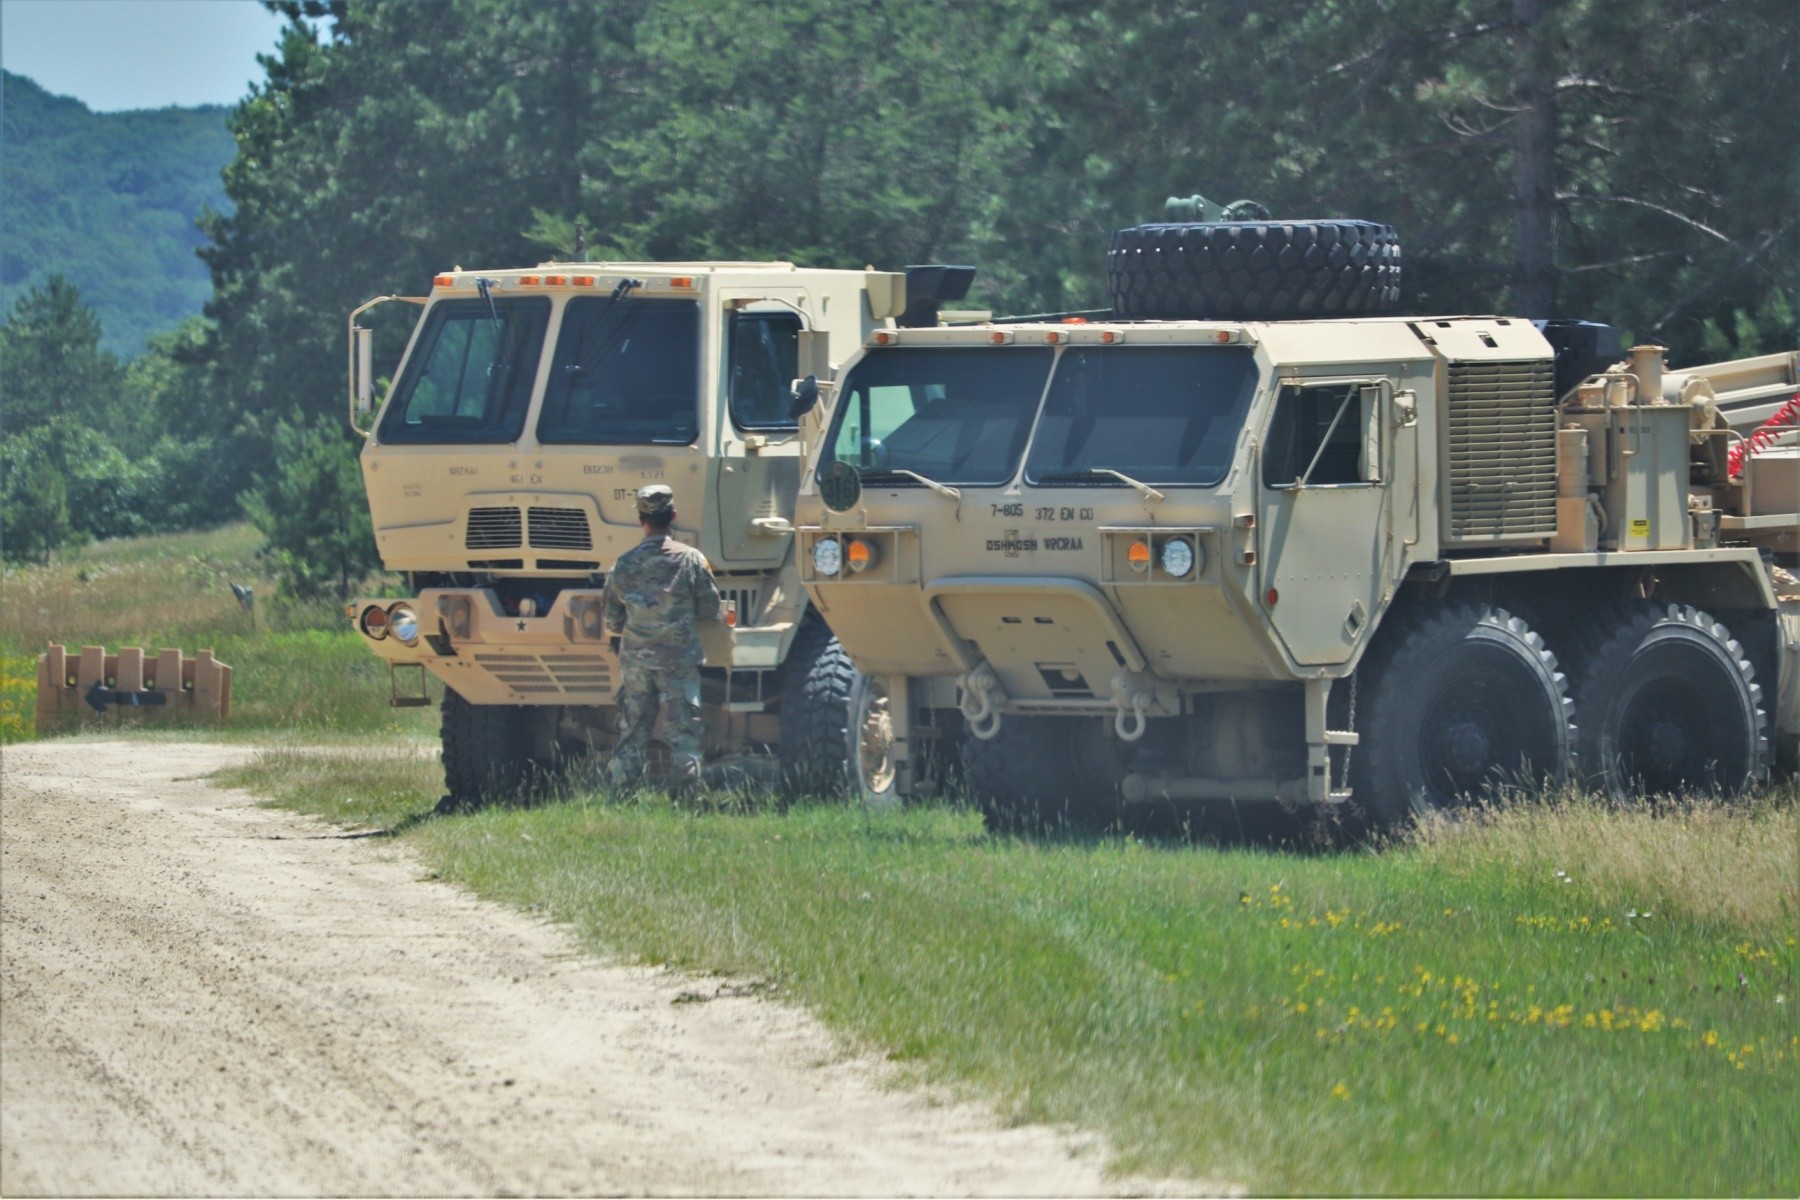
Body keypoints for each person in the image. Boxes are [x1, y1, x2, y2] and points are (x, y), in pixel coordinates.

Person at [603, 484, 722, 791]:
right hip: (678, 662)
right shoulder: (692, 560)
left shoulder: (622, 565)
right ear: (673, 516)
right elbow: (710, 609)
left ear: (641, 519)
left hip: (636, 665)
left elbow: (613, 621)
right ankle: (684, 800)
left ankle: (622, 797)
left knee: (631, 733)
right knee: (683, 733)